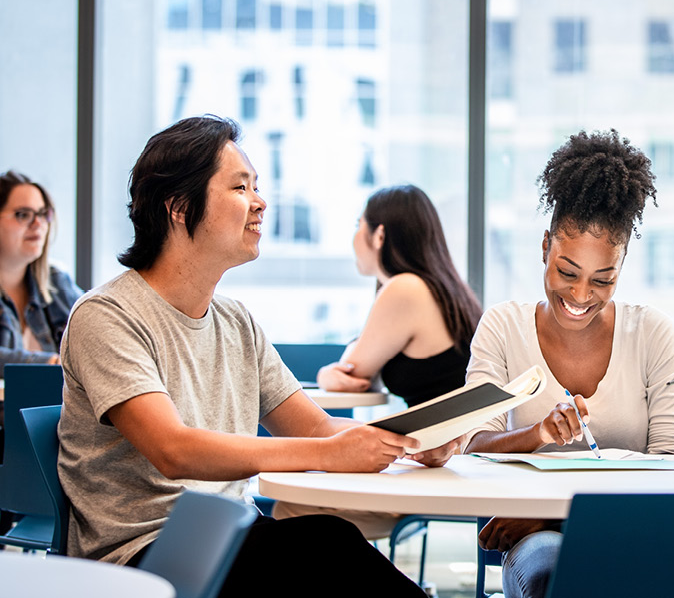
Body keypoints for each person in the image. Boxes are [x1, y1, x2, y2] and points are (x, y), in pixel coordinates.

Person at [57, 116, 455, 597]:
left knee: (328, 540)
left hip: (228, 533)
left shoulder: (237, 321)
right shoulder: (108, 315)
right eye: (241, 187)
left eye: (257, 187)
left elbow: (315, 427)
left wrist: (408, 443)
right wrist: (328, 455)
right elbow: (173, 449)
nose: (261, 203)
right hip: (146, 553)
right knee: (324, 548)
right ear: (180, 207)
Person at [464, 129, 674, 598]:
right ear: (545, 245)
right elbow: (473, 447)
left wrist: (556, 511)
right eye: (567, 272)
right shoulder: (503, 328)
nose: (581, 295)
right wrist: (538, 434)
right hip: (537, 546)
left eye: (603, 279)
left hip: (632, 534)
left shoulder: (653, 334)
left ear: (622, 264)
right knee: (555, 571)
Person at [274, 184, 482, 538]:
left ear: (380, 234)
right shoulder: (442, 288)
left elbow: (353, 369)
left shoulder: (405, 288)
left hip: (444, 464)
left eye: (359, 224)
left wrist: (327, 372)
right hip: (454, 460)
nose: (354, 236)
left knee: (293, 507)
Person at [0, 170, 83, 366]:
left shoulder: (56, 280)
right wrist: (54, 363)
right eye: (23, 215)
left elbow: (100, 334)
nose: (38, 224)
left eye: (43, 214)